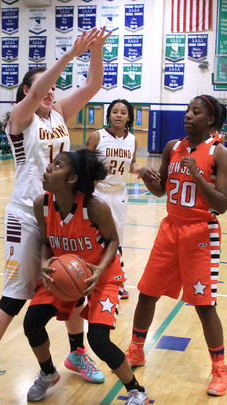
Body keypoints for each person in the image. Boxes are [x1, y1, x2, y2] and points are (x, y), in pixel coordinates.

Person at [0, 27, 112, 405]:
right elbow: (40, 87)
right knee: (16, 293)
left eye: (52, 88)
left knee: (73, 279)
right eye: (40, 86)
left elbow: (93, 85)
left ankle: (75, 352)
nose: (49, 91)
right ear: (28, 92)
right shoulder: (20, 118)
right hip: (25, 216)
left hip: (58, 212)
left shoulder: (58, 112)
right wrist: (65, 58)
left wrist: (95, 50)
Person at [24, 149, 149, 405]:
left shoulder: (94, 207)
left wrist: (99, 270)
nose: (48, 168)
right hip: (63, 272)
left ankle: (137, 391)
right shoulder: (41, 204)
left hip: (101, 276)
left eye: (57, 166)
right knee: (31, 322)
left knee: (98, 339)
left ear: (72, 179)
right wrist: (45, 262)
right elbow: (46, 242)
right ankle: (48, 373)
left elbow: (113, 241)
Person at [125, 95, 227, 397]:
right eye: (187, 110)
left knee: (203, 305)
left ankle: (220, 369)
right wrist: (147, 178)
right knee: (147, 292)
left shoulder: (220, 153)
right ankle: (136, 350)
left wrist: (199, 176)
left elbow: (222, 204)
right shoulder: (174, 147)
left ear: (210, 120)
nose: (187, 116)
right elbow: (161, 190)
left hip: (200, 233)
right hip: (170, 228)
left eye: (195, 112)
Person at [85, 99, 138, 301]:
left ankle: (117, 280)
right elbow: (84, 161)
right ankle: (90, 275)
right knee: (96, 237)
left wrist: (138, 170)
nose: (118, 115)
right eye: (115, 111)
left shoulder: (132, 139)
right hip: (99, 193)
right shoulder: (98, 136)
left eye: (123, 112)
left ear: (128, 117)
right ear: (109, 115)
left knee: (117, 239)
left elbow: (132, 163)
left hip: (119, 195)